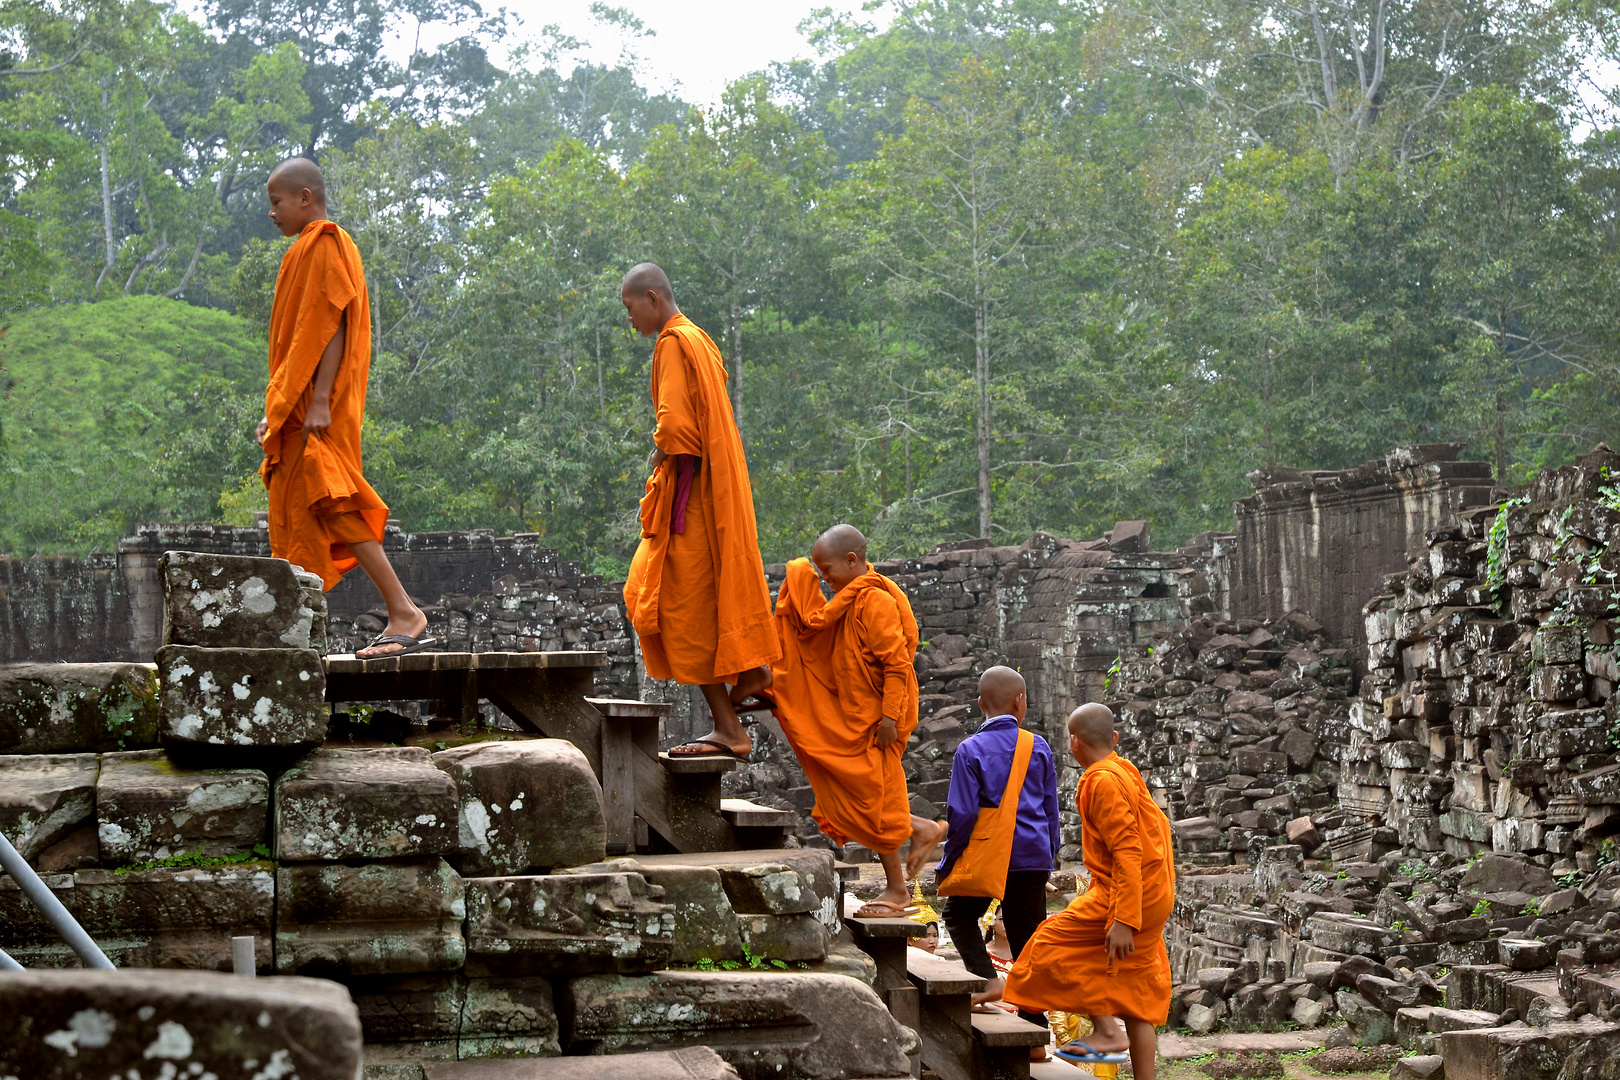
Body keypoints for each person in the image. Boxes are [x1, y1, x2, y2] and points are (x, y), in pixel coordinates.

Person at [256, 157, 434, 658]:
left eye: (277, 202)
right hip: (299, 407)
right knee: (309, 509)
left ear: (305, 198)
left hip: (321, 407)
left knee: (333, 498)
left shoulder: (328, 242)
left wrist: (315, 401)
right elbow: (296, 343)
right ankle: (291, 625)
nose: (271, 213)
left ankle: (404, 611)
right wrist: (279, 408)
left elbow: (331, 326)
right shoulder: (299, 253)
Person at [619, 263, 778, 758]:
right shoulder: (701, 341)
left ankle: (730, 730)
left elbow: (678, 429)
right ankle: (752, 674)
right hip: (710, 493)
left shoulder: (672, 342)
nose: (630, 321)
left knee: (667, 605)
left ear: (652, 298)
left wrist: (658, 458)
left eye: (629, 309)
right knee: (695, 602)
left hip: (689, 494)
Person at [770, 524, 948, 916]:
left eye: (828, 570)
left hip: (878, 718)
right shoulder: (849, 602)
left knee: (872, 799)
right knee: (869, 796)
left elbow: (897, 664)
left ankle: (899, 891)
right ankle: (921, 829)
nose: (826, 580)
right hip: (858, 714)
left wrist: (888, 717)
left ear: (852, 560)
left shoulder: (874, 602)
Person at [1003, 702, 1175, 1077]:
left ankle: (1107, 1032)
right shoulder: (1124, 769)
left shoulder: (1100, 780)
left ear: (1074, 743)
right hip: (1155, 893)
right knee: (1136, 995)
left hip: (1128, 896)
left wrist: (1124, 918)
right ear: (1113, 739)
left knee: (1045, 945)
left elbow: (1128, 848)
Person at [935, 666, 1061, 1060]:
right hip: (1031, 857)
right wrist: (1049, 856)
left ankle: (988, 980)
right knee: (1029, 943)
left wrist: (950, 859)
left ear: (979, 705)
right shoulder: (1037, 745)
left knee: (957, 914)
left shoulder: (969, 750)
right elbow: (1051, 808)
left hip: (990, 855)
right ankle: (1036, 1033)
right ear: (1020, 702)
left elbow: (963, 815)